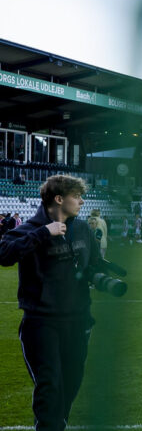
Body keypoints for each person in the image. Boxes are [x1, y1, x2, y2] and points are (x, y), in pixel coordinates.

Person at [0, 175, 100, 431]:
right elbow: (4, 254)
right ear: (59, 199)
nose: (81, 201)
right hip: (42, 323)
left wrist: (104, 276)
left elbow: (94, 263)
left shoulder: (82, 228)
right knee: (50, 386)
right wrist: (43, 233)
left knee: (71, 383)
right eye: (76, 196)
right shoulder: (31, 228)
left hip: (78, 321)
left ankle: (55, 424)